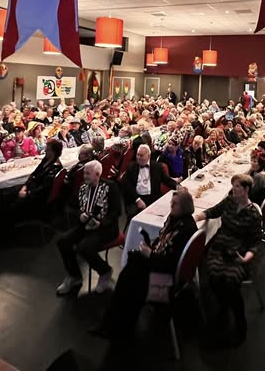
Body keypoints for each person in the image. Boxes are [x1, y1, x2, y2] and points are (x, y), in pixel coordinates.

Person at [89, 188, 197, 340]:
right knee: (129, 274)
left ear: (185, 207)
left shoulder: (187, 228)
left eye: (175, 204)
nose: (171, 206)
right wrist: (149, 251)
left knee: (130, 283)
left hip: (166, 278)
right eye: (171, 203)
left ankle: (115, 326)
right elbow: (162, 243)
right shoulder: (175, 219)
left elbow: (170, 263)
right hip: (160, 264)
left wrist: (150, 254)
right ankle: (113, 325)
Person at [196, 174, 264, 346]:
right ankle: (224, 306)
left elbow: (256, 240)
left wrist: (247, 257)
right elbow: (213, 211)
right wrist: (197, 217)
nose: (233, 190)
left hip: (239, 252)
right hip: (220, 246)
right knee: (212, 274)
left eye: (237, 188)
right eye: (233, 187)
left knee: (230, 281)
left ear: (246, 190)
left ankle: (239, 321)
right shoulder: (229, 202)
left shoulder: (254, 214)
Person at [56, 160, 122, 296]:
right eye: (84, 173)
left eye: (88, 174)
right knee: (62, 241)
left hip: (106, 228)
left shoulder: (110, 187)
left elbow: (116, 212)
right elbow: (72, 207)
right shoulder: (83, 187)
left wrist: (101, 222)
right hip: (85, 225)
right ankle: (74, 276)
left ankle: (105, 271)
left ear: (97, 174)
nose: (84, 176)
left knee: (84, 247)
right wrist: (80, 215)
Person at [121, 144, 178, 217]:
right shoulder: (131, 166)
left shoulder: (157, 167)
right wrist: (137, 200)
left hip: (153, 198)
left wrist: (178, 186)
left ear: (149, 156)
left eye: (141, 155)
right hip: (136, 198)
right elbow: (126, 185)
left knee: (166, 213)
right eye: (137, 155)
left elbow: (167, 180)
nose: (138, 157)